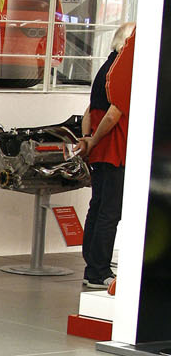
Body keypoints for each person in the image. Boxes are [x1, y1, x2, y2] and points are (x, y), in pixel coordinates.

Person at [78, 23, 136, 292]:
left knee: (98, 207)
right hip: (113, 149)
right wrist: (96, 140)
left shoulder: (105, 68)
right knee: (110, 211)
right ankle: (99, 270)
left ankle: (93, 266)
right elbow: (113, 114)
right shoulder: (123, 70)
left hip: (100, 149)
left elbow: (90, 109)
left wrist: (88, 139)